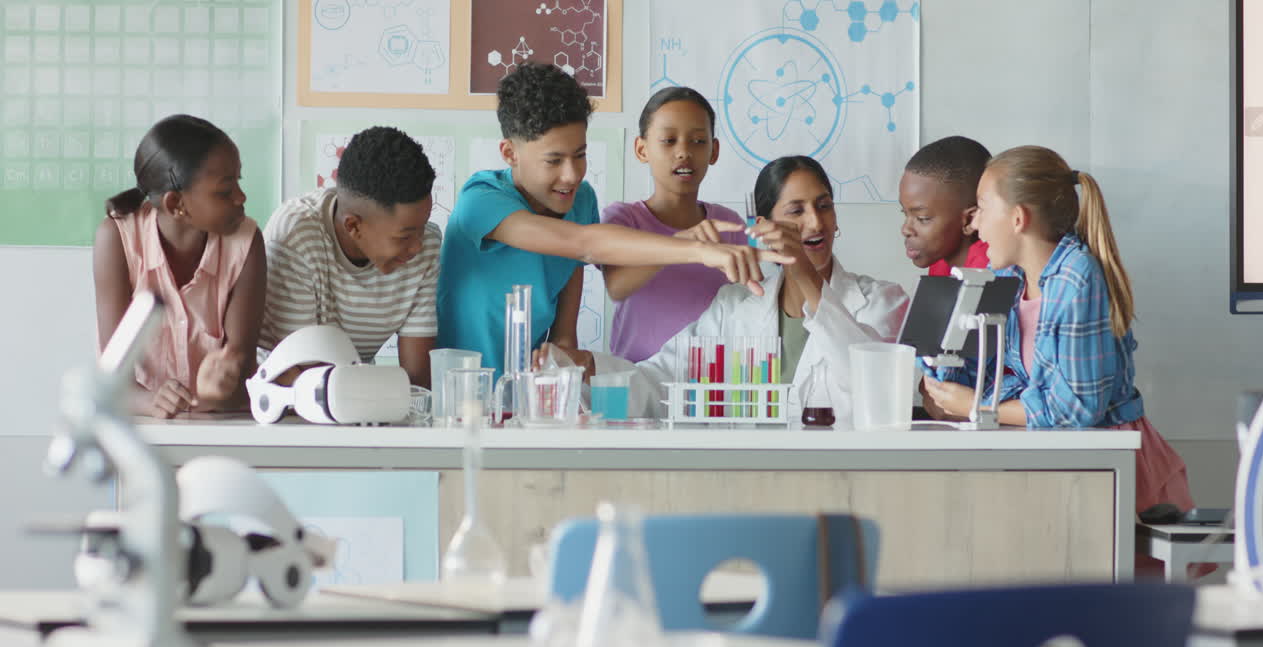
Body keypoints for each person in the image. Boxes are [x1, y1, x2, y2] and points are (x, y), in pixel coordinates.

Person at [437, 63, 790, 376]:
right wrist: (696, 248)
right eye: (554, 160)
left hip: (532, 396)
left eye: (580, 154)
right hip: (463, 390)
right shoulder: (480, 201)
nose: (572, 175)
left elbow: (564, 337)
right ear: (510, 153)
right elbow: (585, 244)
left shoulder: (581, 201)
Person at [921, 145, 1197, 516]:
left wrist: (977, 407)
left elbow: (1076, 408)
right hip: (1060, 458)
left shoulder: (1076, 278)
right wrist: (941, 354)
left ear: (1018, 219)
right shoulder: (1008, 280)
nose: (975, 224)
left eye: (983, 207)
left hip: (1112, 469)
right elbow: (984, 377)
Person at [550, 156, 909, 423]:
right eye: (796, 211)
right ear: (763, 227)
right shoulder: (734, 307)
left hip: (843, 481)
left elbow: (877, 392)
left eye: (824, 206)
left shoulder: (880, 302)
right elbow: (658, 385)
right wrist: (587, 367)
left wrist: (806, 275)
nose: (815, 222)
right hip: (749, 481)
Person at [93, 114, 264, 419]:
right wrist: (151, 401)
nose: (241, 197)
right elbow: (114, 376)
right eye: (225, 191)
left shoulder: (246, 242)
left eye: (239, 181)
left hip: (221, 425)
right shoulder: (117, 238)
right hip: (142, 430)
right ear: (176, 205)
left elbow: (242, 367)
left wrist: (218, 392)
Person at [259, 126, 439, 387]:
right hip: (283, 401)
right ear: (353, 226)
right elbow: (305, 377)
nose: (416, 247)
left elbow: (417, 384)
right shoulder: (295, 237)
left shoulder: (427, 247)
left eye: (423, 227)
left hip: (351, 396)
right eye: (404, 236)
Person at [600, 86, 750, 362]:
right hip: (637, 385)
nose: (683, 152)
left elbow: (749, 307)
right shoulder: (623, 220)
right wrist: (683, 245)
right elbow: (617, 286)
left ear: (714, 151)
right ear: (641, 149)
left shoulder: (729, 225)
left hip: (710, 389)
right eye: (669, 140)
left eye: (698, 141)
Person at [899, 135, 991, 275]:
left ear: (970, 221)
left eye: (922, 218)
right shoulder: (941, 262)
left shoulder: (989, 272)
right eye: (905, 213)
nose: (905, 230)